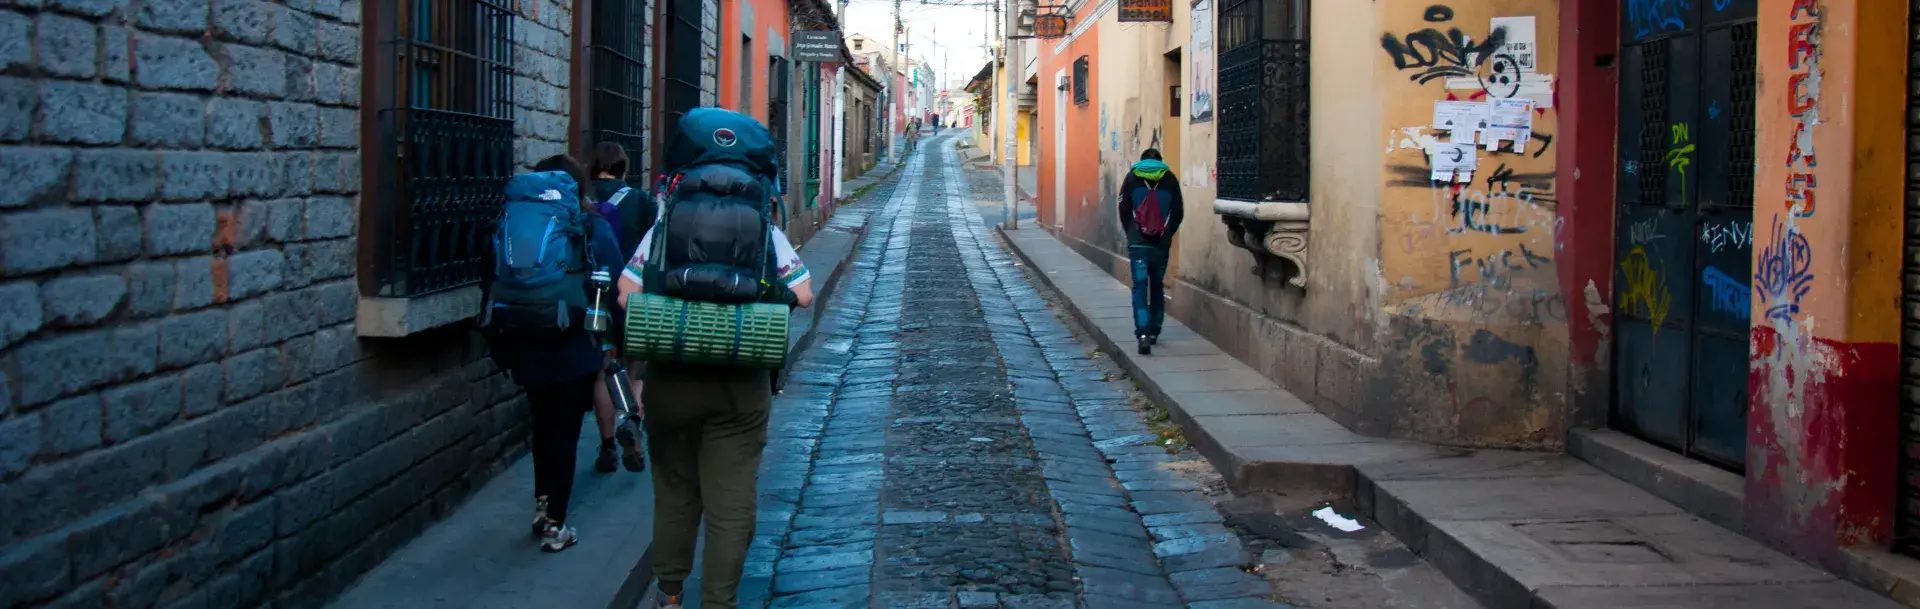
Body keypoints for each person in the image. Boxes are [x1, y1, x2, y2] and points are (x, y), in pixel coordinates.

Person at [616, 108, 814, 608]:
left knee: (675, 491)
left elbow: (624, 292)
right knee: (730, 505)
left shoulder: (665, 224)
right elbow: (805, 292)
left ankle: (669, 595)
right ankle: (718, 603)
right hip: (739, 384)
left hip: (671, 380)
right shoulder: (764, 228)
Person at [481, 154, 624, 552]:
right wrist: (620, 341)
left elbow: (488, 277)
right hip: (574, 343)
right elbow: (614, 286)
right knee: (564, 433)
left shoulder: (513, 224)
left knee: (543, 427)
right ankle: (556, 523)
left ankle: (543, 504)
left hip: (525, 341)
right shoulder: (589, 225)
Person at [585, 142, 653, 474]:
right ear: (624, 168)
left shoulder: (580, 200)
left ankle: (608, 444)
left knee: (604, 370)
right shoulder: (639, 201)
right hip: (632, 294)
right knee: (636, 365)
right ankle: (634, 422)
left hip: (595, 297)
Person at [1116, 148, 1184, 355]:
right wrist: (1167, 233)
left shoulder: (1131, 178)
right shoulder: (1170, 179)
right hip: (1160, 246)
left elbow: (1124, 209)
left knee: (1139, 287)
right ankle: (1154, 330)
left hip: (1138, 244)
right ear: (1160, 162)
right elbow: (1178, 212)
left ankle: (1143, 333)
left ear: (1142, 160)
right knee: (1156, 286)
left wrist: (1131, 232)